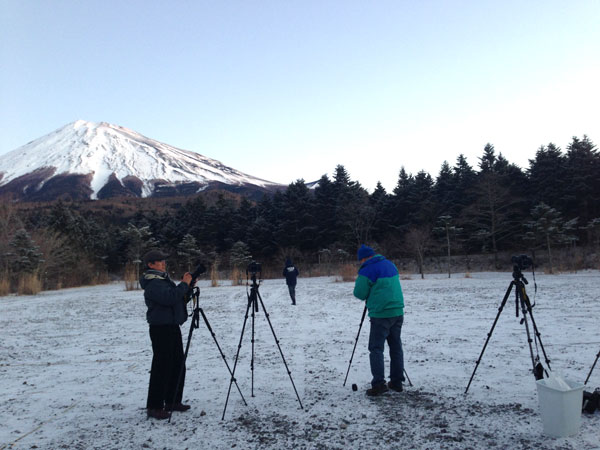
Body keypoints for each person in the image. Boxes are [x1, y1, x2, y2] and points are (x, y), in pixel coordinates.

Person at [140, 249, 193, 420]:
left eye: (164, 260)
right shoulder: (153, 282)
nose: (163, 263)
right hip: (160, 328)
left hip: (171, 325)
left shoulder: (163, 280)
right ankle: (155, 406)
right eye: (159, 261)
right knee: (162, 366)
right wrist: (183, 285)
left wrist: (188, 288)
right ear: (150, 265)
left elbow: (176, 299)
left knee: (177, 363)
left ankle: (172, 400)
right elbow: (169, 298)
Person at [353, 244, 405, 396]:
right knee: (395, 347)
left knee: (376, 348)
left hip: (381, 314)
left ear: (363, 258)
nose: (360, 263)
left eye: (360, 260)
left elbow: (360, 293)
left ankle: (379, 384)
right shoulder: (390, 264)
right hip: (397, 311)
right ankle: (396, 382)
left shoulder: (367, 269)